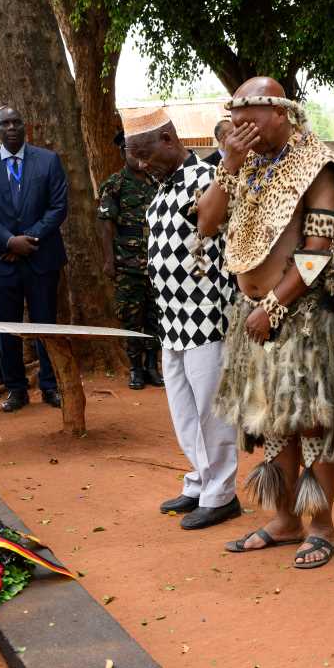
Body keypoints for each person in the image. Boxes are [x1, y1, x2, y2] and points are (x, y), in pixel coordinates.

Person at [196, 78, 334, 566]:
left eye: (251, 116)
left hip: (305, 319)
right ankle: (284, 519)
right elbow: (206, 222)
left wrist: (274, 307)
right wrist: (229, 165)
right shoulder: (246, 165)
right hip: (255, 317)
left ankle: (321, 526)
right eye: (235, 118)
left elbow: (318, 252)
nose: (241, 126)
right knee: (272, 422)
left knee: (313, 423)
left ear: (281, 113)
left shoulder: (317, 166)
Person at [124, 108, 244, 531]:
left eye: (143, 154)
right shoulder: (158, 192)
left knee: (213, 412)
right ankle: (199, 481)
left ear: (170, 140)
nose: (140, 165)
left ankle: (221, 495)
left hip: (206, 317)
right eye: (133, 157)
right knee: (183, 412)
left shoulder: (208, 181)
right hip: (171, 322)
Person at [0, 106, 68, 411]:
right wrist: (9, 241)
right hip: (1, 262)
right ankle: (16, 389)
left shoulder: (48, 160)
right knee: (7, 327)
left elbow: (58, 207)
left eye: (16, 122)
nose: (11, 127)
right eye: (4, 123)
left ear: (25, 126)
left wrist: (28, 240)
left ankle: (50, 385)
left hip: (41, 258)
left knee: (45, 325)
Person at [97, 129, 164, 390]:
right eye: (129, 150)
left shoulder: (157, 182)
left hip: (157, 264)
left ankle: (151, 365)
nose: (136, 156)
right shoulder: (115, 184)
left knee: (155, 317)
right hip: (127, 264)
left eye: (139, 150)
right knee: (130, 317)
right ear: (122, 152)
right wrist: (109, 260)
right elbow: (105, 224)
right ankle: (135, 368)